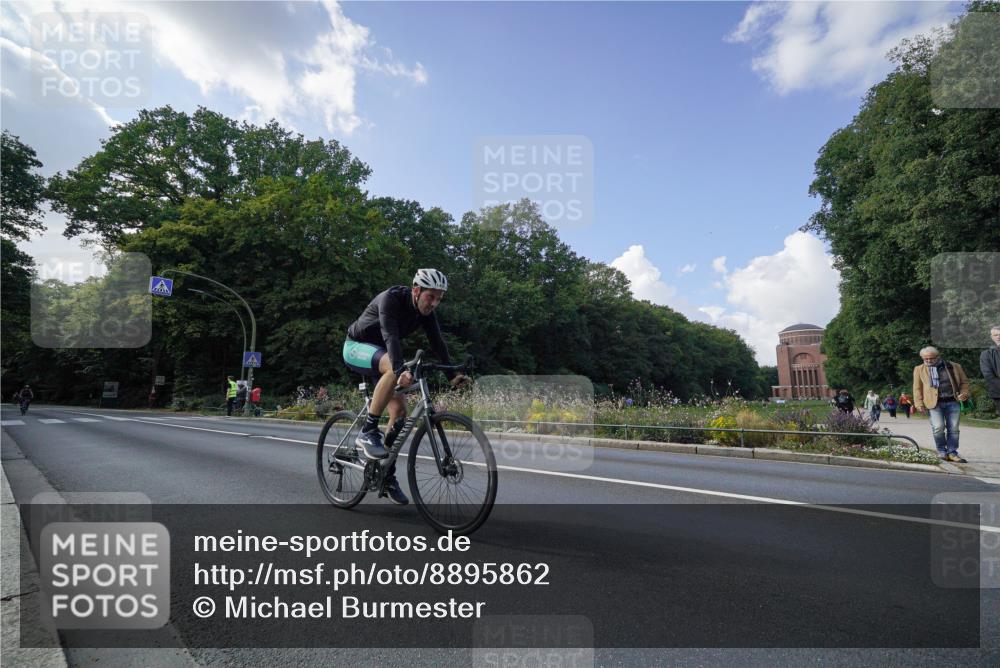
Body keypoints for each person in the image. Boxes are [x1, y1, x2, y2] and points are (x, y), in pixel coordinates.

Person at [342, 269, 469, 505]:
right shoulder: (391, 299)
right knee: (394, 367)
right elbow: (390, 337)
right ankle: (368, 430)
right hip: (357, 346)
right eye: (431, 297)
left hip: (382, 356)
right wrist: (400, 370)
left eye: (439, 299)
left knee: (400, 413)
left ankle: (385, 473)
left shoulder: (427, 314)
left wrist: (452, 375)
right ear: (417, 290)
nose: (434, 303)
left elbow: (438, 343)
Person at [913, 346, 971, 463]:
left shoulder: (954, 366)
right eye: (925, 359)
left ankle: (952, 453)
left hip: (953, 401)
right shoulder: (919, 369)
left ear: (938, 356)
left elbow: (965, 382)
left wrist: (964, 394)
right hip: (934, 404)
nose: (928, 361)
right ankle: (941, 451)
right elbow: (917, 388)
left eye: (931, 358)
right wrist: (918, 403)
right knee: (938, 428)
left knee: (953, 429)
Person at [981, 325, 1000, 415]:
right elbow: (988, 375)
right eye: (996, 335)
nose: (998, 337)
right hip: (998, 392)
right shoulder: (986, 354)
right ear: (992, 337)